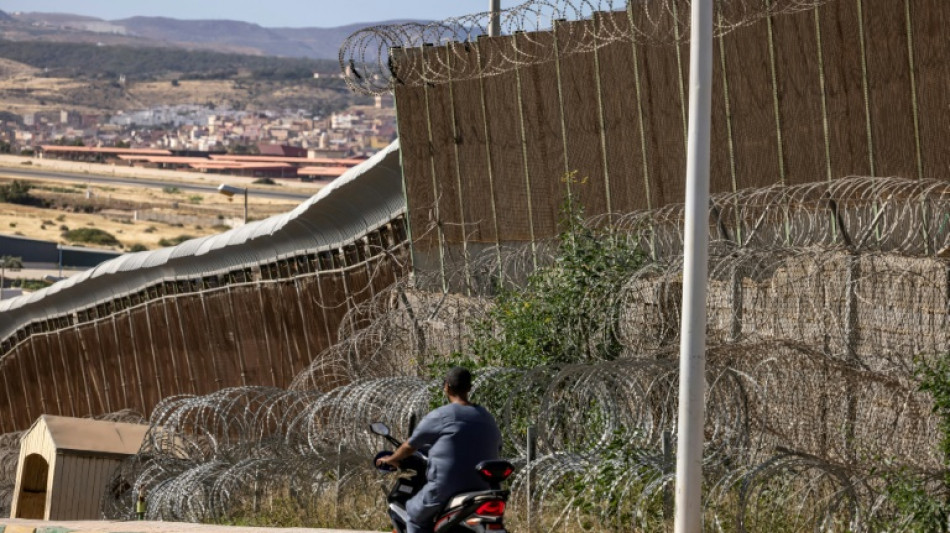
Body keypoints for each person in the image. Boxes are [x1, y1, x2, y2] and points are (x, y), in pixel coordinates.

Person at [376, 366, 502, 533]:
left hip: (446, 487)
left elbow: (409, 446)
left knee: (413, 514)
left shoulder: (442, 415)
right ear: (470, 388)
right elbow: (498, 446)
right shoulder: (486, 416)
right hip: (483, 487)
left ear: (446, 387)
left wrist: (392, 459)